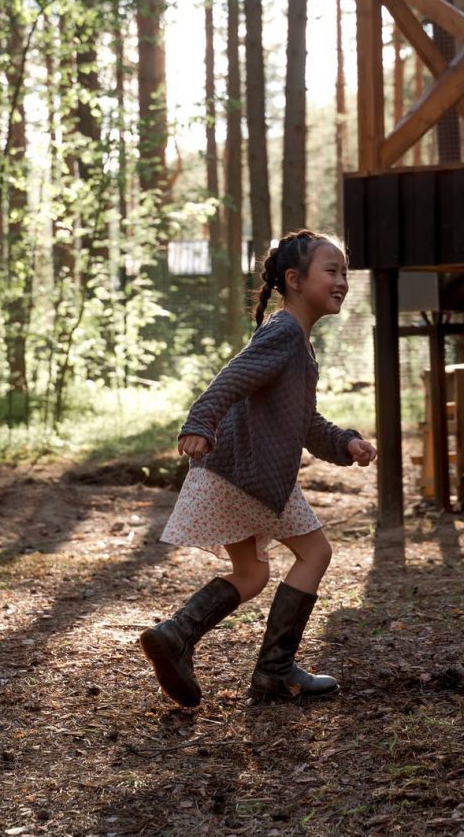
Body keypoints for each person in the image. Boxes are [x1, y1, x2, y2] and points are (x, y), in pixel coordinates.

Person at [139, 228, 377, 707]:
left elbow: (304, 422)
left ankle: (177, 634)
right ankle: (273, 671)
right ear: (294, 279)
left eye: (345, 273)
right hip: (248, 472)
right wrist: (200, 422)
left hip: (238, 471)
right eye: (331, 271)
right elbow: (231, 377)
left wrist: (344, 441)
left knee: (250, 574)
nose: (342, 281)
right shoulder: (286, 332)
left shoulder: (293, 339)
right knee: (315, 554)